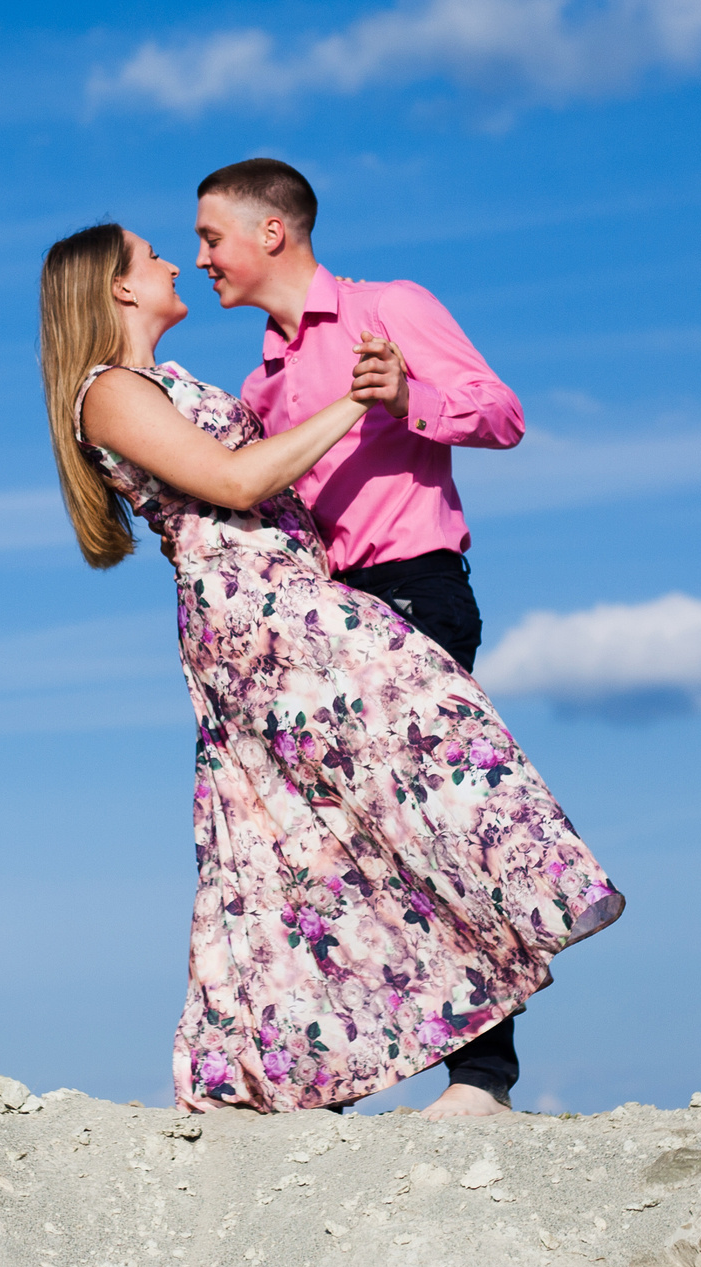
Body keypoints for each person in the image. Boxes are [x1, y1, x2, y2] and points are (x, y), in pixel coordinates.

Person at [39, 220, 620, 1120]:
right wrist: (358, 403)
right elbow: (233, 483)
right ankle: (486, 1015)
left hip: (290, 597)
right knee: (412, 756)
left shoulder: (176, 380)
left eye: (191, 240)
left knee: (313, 838)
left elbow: (483, 416)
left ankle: (326, 1071)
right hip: (260, 614)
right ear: (116, 289)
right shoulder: (108, 390)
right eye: (154, 253)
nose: (174, 261)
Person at [192, 157, 536, 1117]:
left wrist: (408, 400)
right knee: (340, 850)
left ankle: (480, 1079)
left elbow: (504, 415)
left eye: (210, 236)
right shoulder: (257, 382)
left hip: (416, 592)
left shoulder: (392, 307)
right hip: (322, 625)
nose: (201, 257)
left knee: (435, 824)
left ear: (273, 232)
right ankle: (331, 1079)